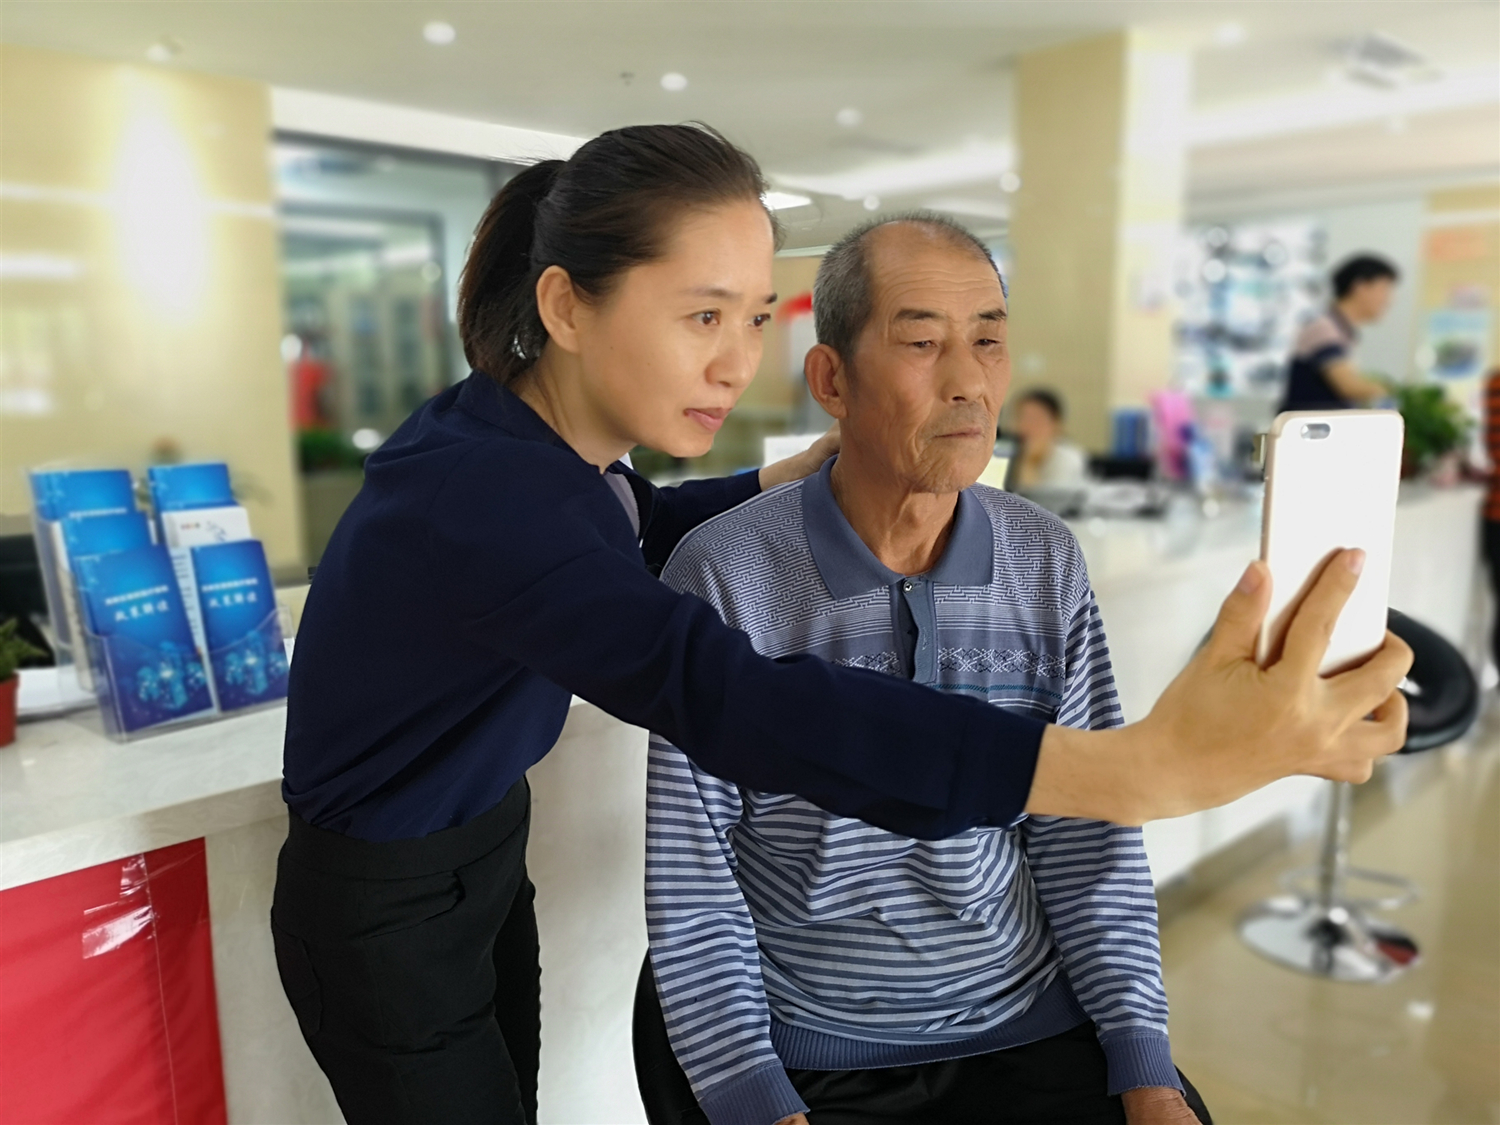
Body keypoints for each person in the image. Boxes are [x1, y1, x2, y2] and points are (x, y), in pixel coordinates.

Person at [272, 125, 1412, 1125]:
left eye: (752, 317)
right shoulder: (490, 499)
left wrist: (767, 480)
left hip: (483, 844)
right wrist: (1134, 771)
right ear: (567, 305)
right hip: (386, 897)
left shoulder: (548, 451)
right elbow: (732, 699)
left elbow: (629, 521)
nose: (736, 361)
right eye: (701, 315)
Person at [635, 215, 1208, 1125]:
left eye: (988, 341)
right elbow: (693, 879)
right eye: (923, 342)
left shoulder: (1043, 557)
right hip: (815, 1044)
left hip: (1025, 1017)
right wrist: (756, 1098)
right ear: (832, 379)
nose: (969, 381)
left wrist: (1146, 1065)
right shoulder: (724, 573)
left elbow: (1089, 834)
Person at [1281, 254, 1398, 412]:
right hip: (1307, 425)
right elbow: (1349, 386)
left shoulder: (1341, 330)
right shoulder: (1323, 328)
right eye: (1384, 289)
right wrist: (1387, 391)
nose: (1388, 300)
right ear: (1360, 287)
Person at [1012, 387, 1089, 490]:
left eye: (1035, 419)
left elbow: (1038, 498)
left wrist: (1030, 464)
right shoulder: (1011, 452)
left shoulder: (1069, 459)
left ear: (1056, 424)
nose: (1025, 426)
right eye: (1021, 417)